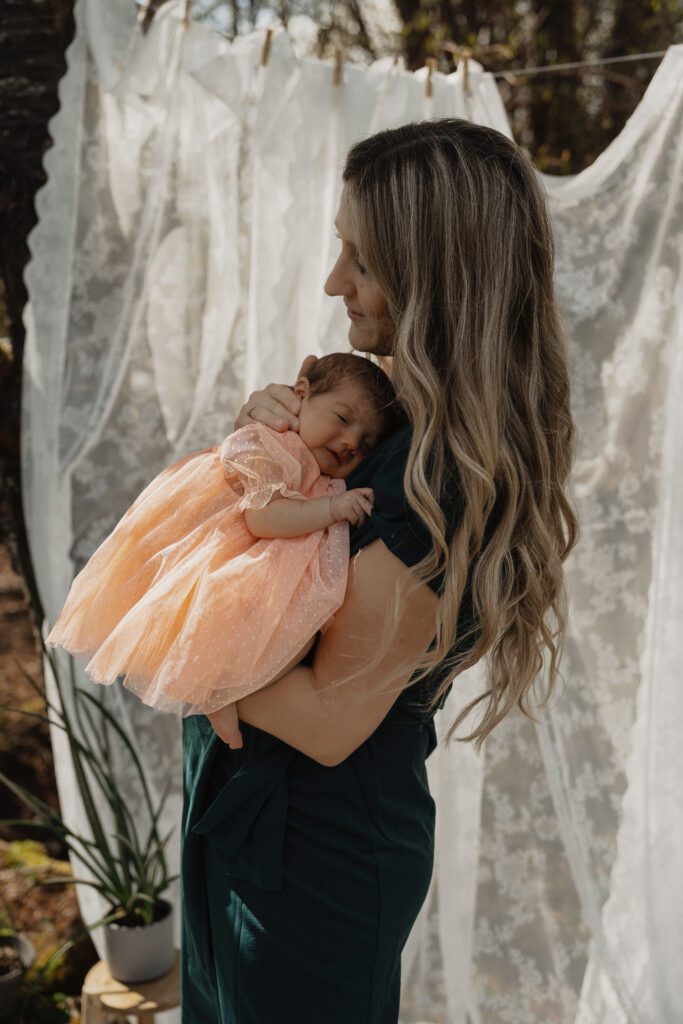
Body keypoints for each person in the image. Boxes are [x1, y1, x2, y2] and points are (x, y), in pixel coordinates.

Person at [181, 117, 579, 1023]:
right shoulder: (391, 417)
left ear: (436, 274)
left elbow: (324, 721)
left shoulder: (434, 477)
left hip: (312, 858)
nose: (333, 284)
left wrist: (171, 641)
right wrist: (268, 444)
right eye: (340, 250)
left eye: (361, 260)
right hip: (246, 815)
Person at [46, 353, 399, 743]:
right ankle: (215, 693)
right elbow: (262, 519)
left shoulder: (312, 463)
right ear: (302, 394)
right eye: (343, 419)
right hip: (228, 541)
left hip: (268, 544)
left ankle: (222, 689)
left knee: (288, 630)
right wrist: (331, 508)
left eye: (366, 444)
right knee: (227, 610)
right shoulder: (270, 443)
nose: (351, 442)